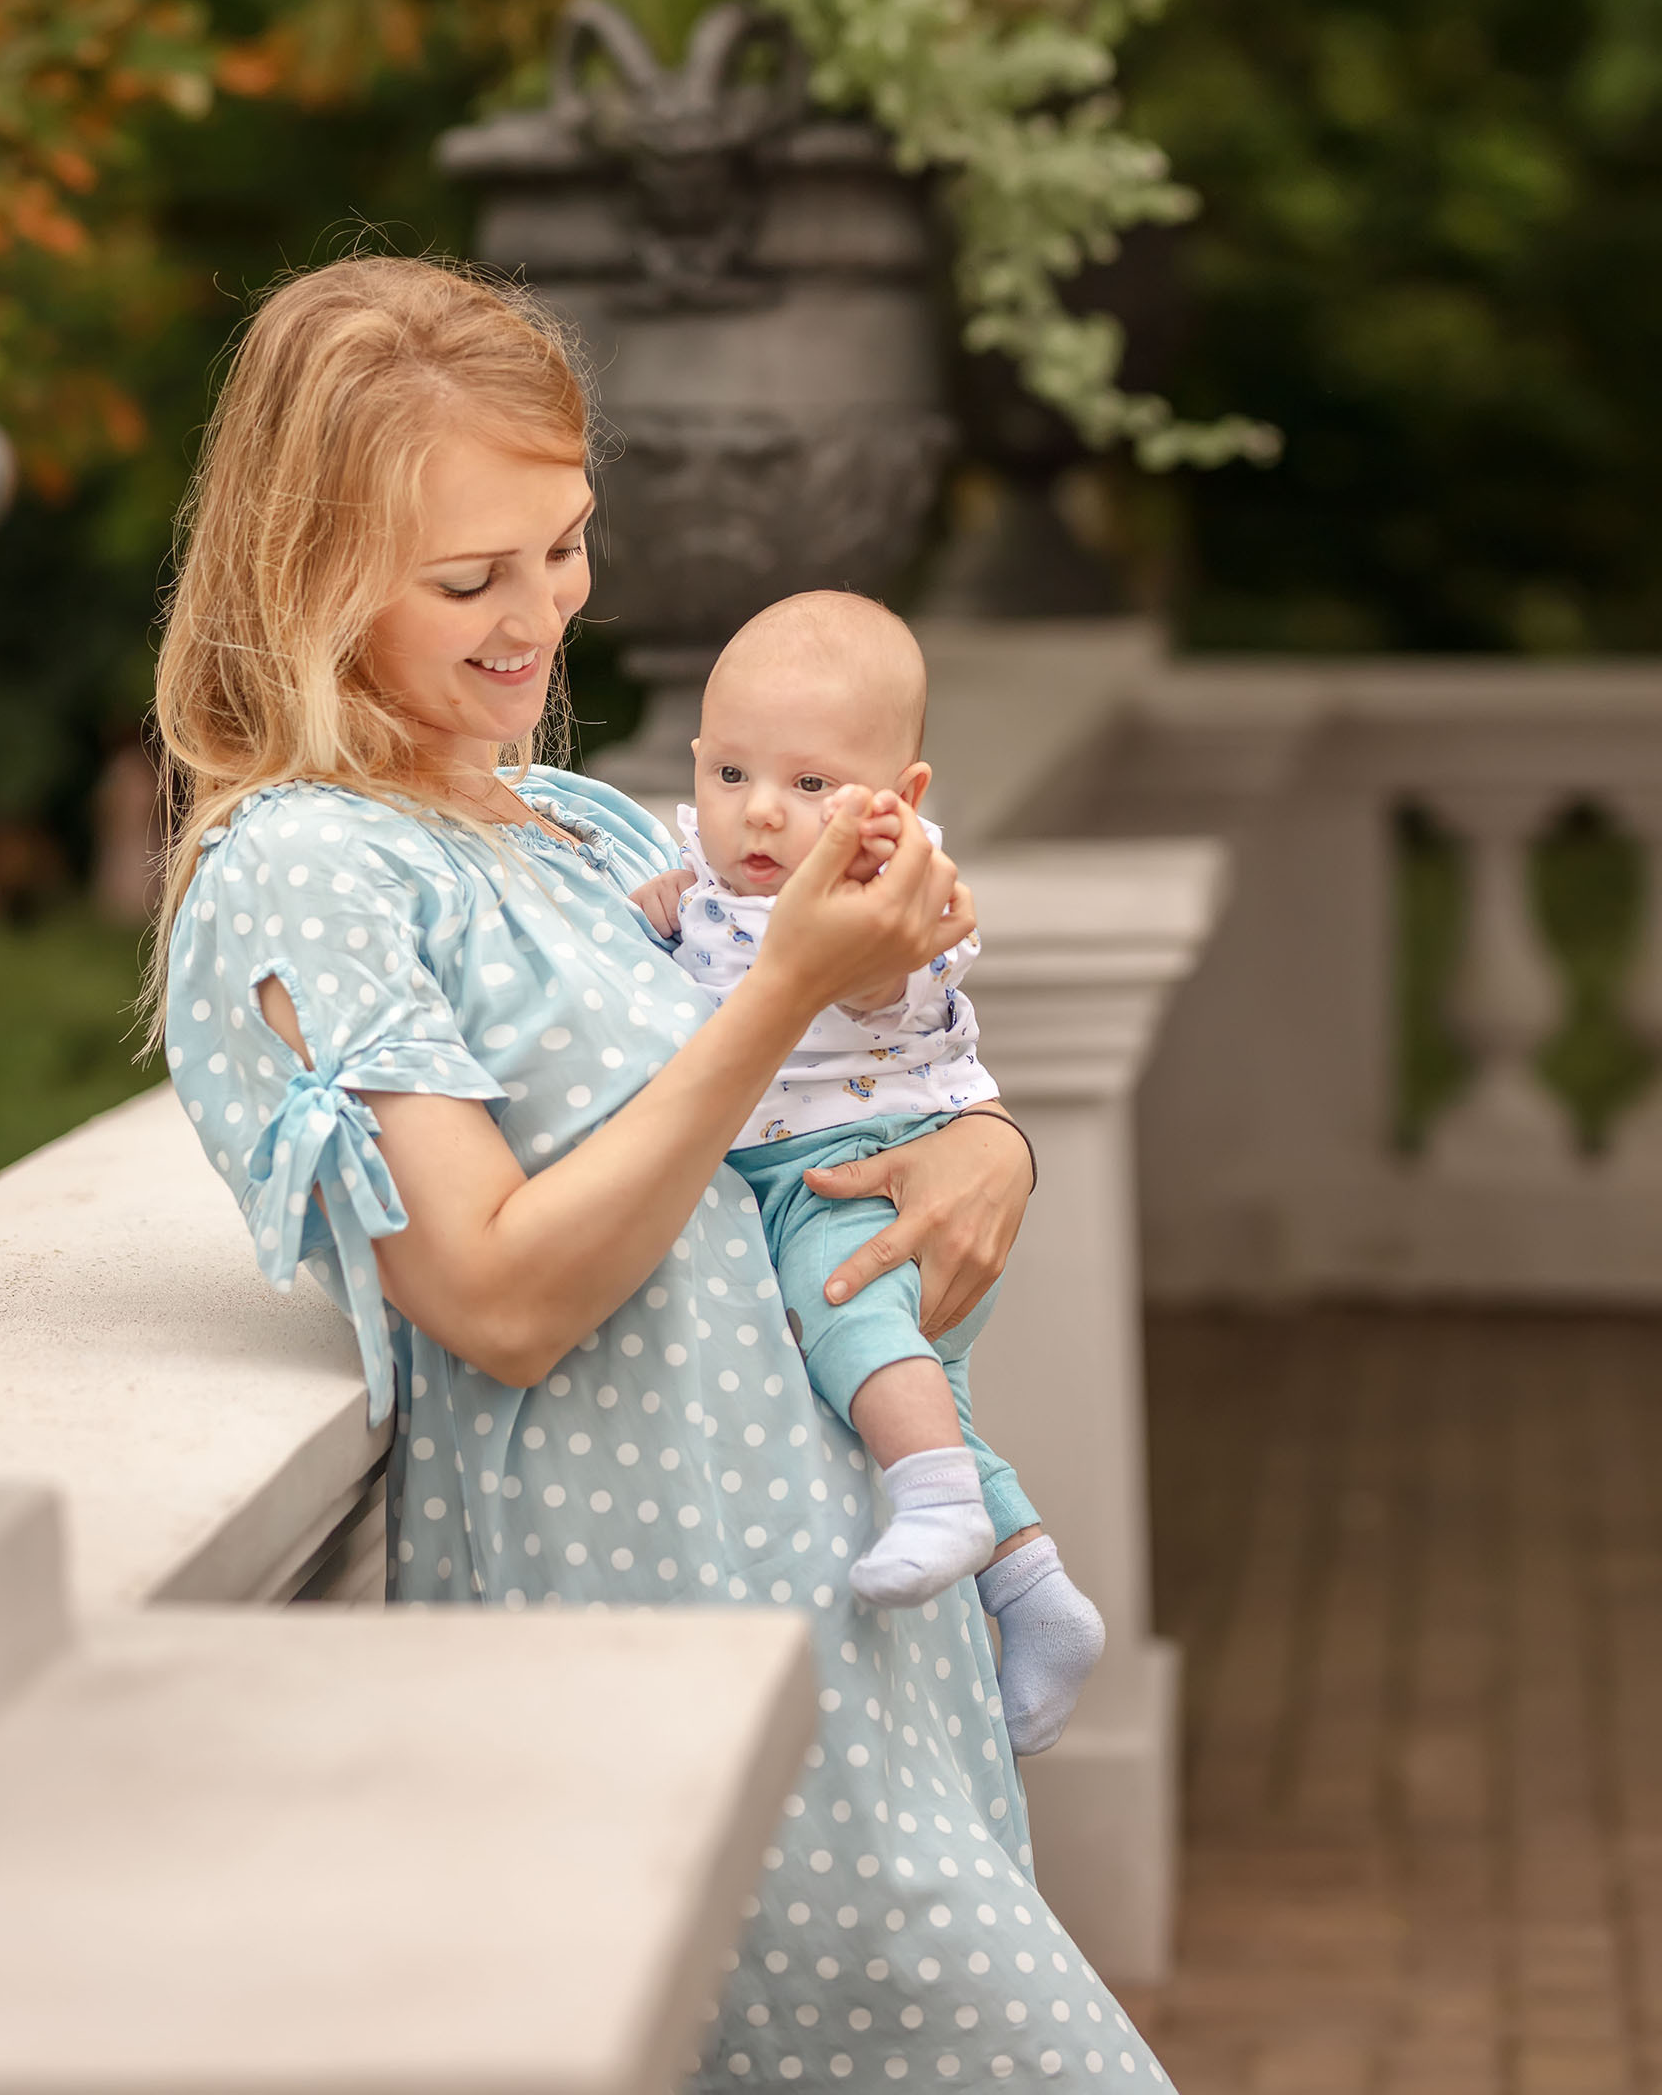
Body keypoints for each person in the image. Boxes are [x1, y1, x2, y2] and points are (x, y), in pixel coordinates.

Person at [152, 254, 1176, 2095]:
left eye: (565, 545)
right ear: (305, 575)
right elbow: (496, 1297)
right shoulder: (308, 871)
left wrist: (983, 1134)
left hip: (851, 1606)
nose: (540, 613)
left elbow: (830, 1092)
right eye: (470, 577)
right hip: (651, 1646)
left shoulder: (576, 818)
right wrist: (787, 989)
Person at [628, 590, 1106, 1750]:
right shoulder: (700, 874)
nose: (759, 814)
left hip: (860, 1168)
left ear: (900, 799)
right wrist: (652, 914)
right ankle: (1032, 1589)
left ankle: (937, 1504)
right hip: (791, 1180)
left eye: (808, 787)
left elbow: (897, 988)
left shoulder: (895, 891)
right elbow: (670, 975)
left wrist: (862, 957)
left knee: (844, 1322)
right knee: (884, 1382)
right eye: (731, 773)